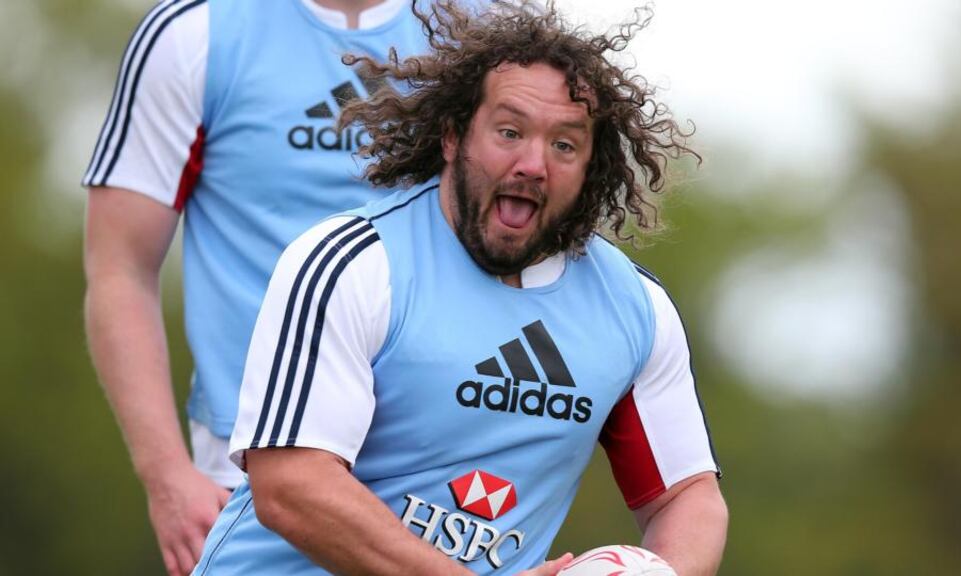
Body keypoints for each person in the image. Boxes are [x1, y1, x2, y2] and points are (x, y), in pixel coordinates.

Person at [193, 1, 728, 574]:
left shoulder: (633, 310)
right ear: (452, 136)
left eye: (564, 145)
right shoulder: (355, 263)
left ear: (592, 166)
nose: (533, 163)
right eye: (509, 131)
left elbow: (686, 495)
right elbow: (291, 487)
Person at [81, 1, 441, 574]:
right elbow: (119, 268)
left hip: (442, 479)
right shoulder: (195, 31)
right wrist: (168, 476)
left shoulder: (487, 24)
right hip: (246, 475)